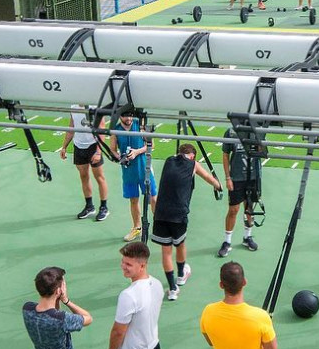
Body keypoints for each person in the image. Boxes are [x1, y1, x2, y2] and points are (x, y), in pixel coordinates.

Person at [152, 144, 222, 301]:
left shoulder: (168, 160)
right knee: (181, 244)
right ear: (193, 156)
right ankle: (181, 275)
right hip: (178, 214)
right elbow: (209, 178)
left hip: (161, 212)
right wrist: (219, 186)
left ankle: (172, 289)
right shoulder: (193, 164)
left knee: (166, 251)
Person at [110, 113, 157, 242]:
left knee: (153, 198)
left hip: (144, 169)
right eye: (126, 117)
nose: (129, 119)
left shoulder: (139, 125)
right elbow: (112, 149)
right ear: (120, 117)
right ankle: (137, 228)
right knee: (133, 200)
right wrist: (120, 157)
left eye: (130, 116)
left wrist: (136, 152)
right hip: (128, 172)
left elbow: (151, 145)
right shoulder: (116, 130)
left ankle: (160, 227)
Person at [59, 107, 109, 222]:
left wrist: (98, 151)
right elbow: (72, 127)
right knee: (84, 176)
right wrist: (64, 146)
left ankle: (104, 207)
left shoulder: (95, 106)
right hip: (79, 145)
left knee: (99, 177)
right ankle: (89, 206)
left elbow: (102, 128)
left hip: (93, 145)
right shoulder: (73, 107)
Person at [219, 130, 261, 258]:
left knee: (249, 208)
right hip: (236, 178)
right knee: (233, 210)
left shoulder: (257, 131)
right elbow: (225, 155)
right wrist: (227, 178)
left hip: (252, 177)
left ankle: (247, 237)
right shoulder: (231, 132)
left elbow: (263, 153)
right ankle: (227, 241)